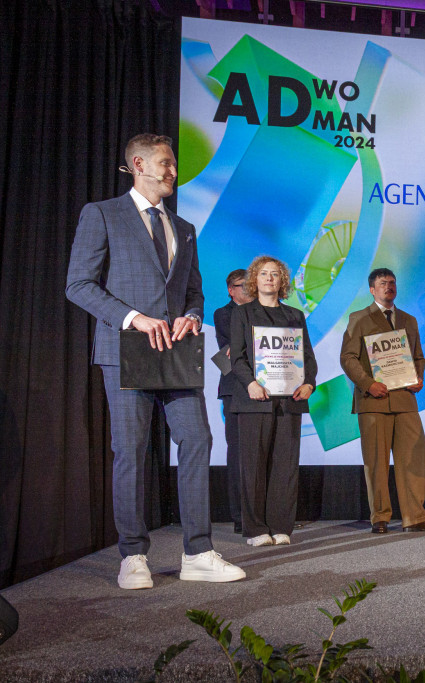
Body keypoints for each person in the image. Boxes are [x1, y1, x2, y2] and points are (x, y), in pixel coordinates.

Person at [66, 133, 245, 588]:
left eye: (174, 164)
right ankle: (132, 555)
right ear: (139, 164)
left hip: (177, 353)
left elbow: (194, 292)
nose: (173, 172)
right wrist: (134, 319)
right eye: (165, 163)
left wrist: (192, 316)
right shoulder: (102, 214)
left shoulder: (184, 227)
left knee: (197, 439)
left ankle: (198, 552)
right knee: (131, 450)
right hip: (126, 349)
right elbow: (79, 285)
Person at [340, 268, 425, 534]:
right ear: (372, 289)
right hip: (373, 400)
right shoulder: (358, 318)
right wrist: (368, 384)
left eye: (392, 282)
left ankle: (414, 517)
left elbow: (418, 356)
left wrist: (418, 378)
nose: (389, 286)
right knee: (376, 462)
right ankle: (380, 517)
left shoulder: (409, 319)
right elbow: (348, 358)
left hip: (405, 400)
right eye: (383, 283)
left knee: (414, 456)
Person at [229, 256, 317, 547]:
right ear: (255, 279)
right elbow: (237, 357)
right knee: (253, 466)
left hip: (290, 400)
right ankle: (256, 529)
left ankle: (281, 526)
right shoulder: (242, 313)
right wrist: (250, 383)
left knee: (285, 466)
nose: (269, 278)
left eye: (275, 274)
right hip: (255, 399)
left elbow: (307, 357)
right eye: (264, 273)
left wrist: (309, 383)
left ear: (283, 281)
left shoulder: (295, 315)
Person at [214, 269, 252, 534]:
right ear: (231, 290)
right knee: (238, 453)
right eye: (243, 285)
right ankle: (240, 515)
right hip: (235, 390)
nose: (249, 289)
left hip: (265, 387)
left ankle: (263, 513)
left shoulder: (264, 312)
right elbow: (235, 347)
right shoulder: (223, 314)